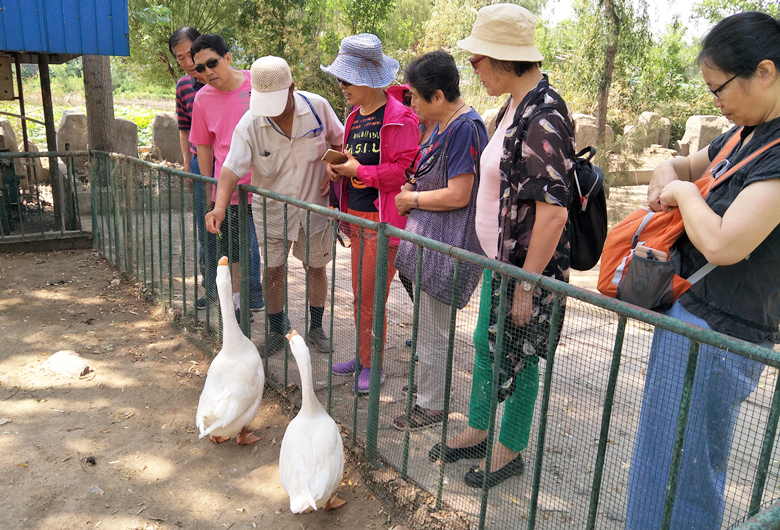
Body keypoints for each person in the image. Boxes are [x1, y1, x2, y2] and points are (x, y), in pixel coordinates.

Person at [626, 12, 780, 529]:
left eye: (719, 89)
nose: (716, 102)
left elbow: (724, 243)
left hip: (722, 332)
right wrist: (668, 177)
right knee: (659, 459)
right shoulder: (745, 134)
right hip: (689, 313)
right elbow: (684, 165)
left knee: (685, 475)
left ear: (765, 72)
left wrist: (684, 194)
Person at [430, 3, 574, 489]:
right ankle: (478, 428)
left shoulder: (545, 116)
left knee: (522, 353)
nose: (473, 70)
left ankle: (508, 449)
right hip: (502, 259)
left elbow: (554, 212)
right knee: (487, 345)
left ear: (501, 57)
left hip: (526, 269)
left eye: (476, 60)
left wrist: (527, 286)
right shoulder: (513, 107)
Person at [205, 56, 344, 355]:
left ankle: (316, 327)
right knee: (273, 272)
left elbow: (341, 141)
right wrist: (218, 207)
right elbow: (230, 169)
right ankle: (276, 328)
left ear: (293, 88)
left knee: (316, 268)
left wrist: (335, 170)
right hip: (271, 209)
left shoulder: (318, 108)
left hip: (314, 206)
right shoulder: (251, 123)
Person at [391, 50, 489, 430]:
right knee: (427, 327)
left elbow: (459, 194)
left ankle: (431, 406)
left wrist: (411, 199)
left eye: (414, 96)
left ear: (437, 96)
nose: (410, 103)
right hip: (431, 245)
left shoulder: (466, 127)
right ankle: (427, 391)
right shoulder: (445, 125)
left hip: (447, 248)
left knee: (434, 330)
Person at [320, 33, 419, 393]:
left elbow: (403, 172)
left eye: (346, 79)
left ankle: (372, 364)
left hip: (384, 222)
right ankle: (364, 357)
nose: (341, 85)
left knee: (372, 298)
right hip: (358, 219)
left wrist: (358, 172)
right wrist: (338, 169)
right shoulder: (352, 118)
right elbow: (353, 160)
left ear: (366, 77)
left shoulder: (400, 118)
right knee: (360, 295)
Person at [188, 34, 264, 320]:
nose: (208, 72)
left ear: (228, 58)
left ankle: (261, 306)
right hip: (229, 189)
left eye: (212, 63)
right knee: (234, 251)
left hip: (266, 188)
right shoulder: (202, 99)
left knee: (264, 251)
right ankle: (238, 307)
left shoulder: (257, 85)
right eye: (200, 68)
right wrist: (211, 193)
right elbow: (204, 147)